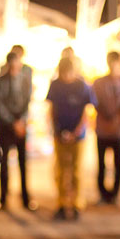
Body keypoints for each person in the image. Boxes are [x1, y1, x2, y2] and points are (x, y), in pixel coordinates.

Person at [46, 57, 97, 220]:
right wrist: (57, 130)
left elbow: (86, 111)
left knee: (76, 170)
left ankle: (76, 204)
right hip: (60, 133)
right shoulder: (55, 85)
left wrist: (76, 132)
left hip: (78, 135)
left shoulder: (82, 86)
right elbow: (52, 109)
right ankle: (61, 203)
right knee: (61, 170)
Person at [0, 52, 35, 211]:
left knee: (23, 162)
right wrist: (13, 122)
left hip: (21, 124)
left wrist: (22, 121)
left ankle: (25, 198)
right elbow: (0, 105)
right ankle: (3, 198)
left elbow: (28, 101)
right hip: (6, 126)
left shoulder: (25, 81)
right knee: (4, 163)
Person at [92, 51, 120, 204]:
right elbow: (95, 102)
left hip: (118, 131)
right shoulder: (99, 83)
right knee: (102, 164)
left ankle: (115, 194)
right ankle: (103, 193)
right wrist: (107, 115)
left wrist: (117, 117)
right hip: (102, 130)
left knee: (118, 165)